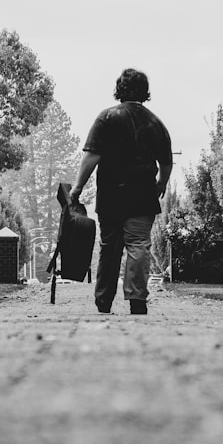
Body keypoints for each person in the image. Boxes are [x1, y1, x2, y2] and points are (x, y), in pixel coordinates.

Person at [69, 68, 173, 315]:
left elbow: (91, 156)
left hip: (112, 196)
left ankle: (103, 300)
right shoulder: (155, 122)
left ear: (120, 89)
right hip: (143, 196)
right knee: (138, 245)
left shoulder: (107, 118)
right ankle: (137, 299)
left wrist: (77, 187)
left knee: (110, 248)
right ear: (145, 92)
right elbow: (166, 162)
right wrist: (161, 184)